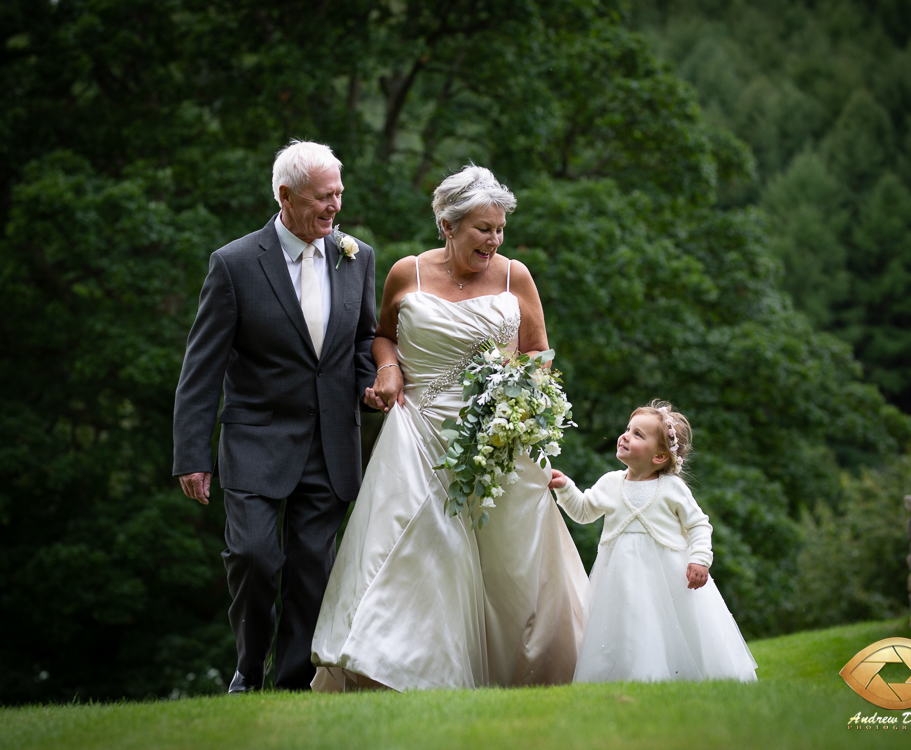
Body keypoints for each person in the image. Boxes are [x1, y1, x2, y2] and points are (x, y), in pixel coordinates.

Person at [310, 165, 588, 692]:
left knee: (513, 564)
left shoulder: (515, 276)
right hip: (418, 434)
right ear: (448, 224)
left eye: (500, 228)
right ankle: (402, 669)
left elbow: (538, 353)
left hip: (499, 438)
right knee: (417, 552)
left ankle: (524, 672)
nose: (494, 239)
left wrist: (519, 403)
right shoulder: (406, 273)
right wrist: (388, 369)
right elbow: (382, 336)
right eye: (483, 228)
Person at [172, 140, 377, 693]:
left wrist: (371, 383)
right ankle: (248, 667)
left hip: (331, 442)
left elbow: (364, 340)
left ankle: (291, 687)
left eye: (339, 193)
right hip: (256, 441)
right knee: (254, 557)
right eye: (322, 196)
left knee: (312, 572)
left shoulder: (357, 257)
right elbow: (201, 368)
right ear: (286, 196)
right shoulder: (234, 264)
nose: (335, 206)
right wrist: (191, 455)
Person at [548, 400, 758, 683]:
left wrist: (700, 559)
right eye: (627, 429)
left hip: (668, 579)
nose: (625, 436)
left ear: (659, 456)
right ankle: (624, 678)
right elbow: (584, 512)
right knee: (626, 627)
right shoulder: (610, 483)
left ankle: (678, 677)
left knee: (668, 625)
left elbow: (698, 524)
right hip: (619, 579)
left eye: (637, 434)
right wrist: (566, 488)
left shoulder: (672, 489)